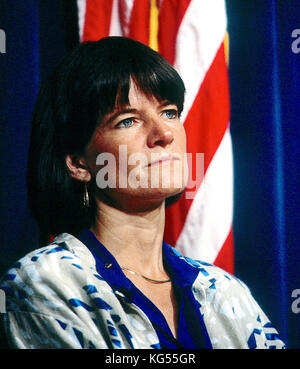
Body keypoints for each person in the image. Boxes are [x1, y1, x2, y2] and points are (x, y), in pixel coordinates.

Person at [0, 37, 285, 349]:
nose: (164, 134)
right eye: (128, 120)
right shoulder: (46, 282)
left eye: (170, 112)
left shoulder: (225, 291)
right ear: (77, 162)